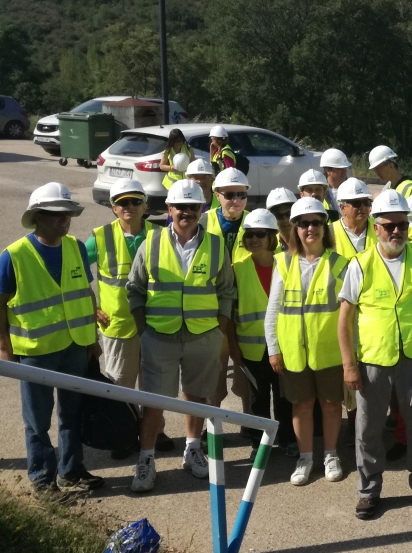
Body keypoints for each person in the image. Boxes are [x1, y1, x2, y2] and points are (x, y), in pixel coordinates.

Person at [338, 188, 412, 519]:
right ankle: (368, 491)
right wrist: (349, 366)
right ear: (376, 227)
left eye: (401, 224)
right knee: (368, 430)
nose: (396, 231)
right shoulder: (361, 264)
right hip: (373, 362)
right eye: (389, 225)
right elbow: (344, 319)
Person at [127, 179, 237, 493]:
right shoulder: (152, 243)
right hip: (159, 336)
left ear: (202, 210)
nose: (186, 212)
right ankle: (146, 459)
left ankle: (192, 450)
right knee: (153, 403)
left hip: (203, 337)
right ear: (170, 209)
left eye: (193, 207)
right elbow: (135, 289)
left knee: (197, 396)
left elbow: (227, 290)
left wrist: (219, 326)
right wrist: (143, 330)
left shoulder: (216, 245)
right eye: (180, 207)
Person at [0, 183, 101, 493]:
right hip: (36, 351)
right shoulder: (13, 256)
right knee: (37, 421)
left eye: (68, 213)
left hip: (74, 346)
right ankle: (43, 479)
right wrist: (4, 346)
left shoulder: (76, 248)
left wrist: (91, 340)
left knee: (72, 413)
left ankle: (71, 470)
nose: (65, 219)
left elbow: (85, 294)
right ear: (38, 217)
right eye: (58, 214)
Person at [265, 197, 350, 485]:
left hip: (329, 352)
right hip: (293, 353)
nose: (310, 228)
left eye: (316, 222)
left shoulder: (340, 264)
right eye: (303, 223)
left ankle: (330, 455)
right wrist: (274, 350)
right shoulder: (284, 262)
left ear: (325, 227)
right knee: (301, 406)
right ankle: (305, 458)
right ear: (294, 229)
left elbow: (350, 313)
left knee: (330, 404)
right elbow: (273, 311)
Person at [86, 179, 164, 457]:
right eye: (122, 202)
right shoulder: (100, 237)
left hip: (156, 323)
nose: (128, 206)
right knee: (121, 384)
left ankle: (155, 431)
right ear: (113, 209)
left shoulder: (160, 234)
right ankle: (125, 434)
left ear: (145, 206)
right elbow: (75, 268)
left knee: (154, 383)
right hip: (117, 325)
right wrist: (91, 307)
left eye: (134, 201)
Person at [228, 209, 297, 456]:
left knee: (284, 397)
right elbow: (231, 312)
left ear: (272, 237)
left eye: (260, 234)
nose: (253, 239)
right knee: (258, 399)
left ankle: (288, 439)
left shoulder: (288, 262)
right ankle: (259, 443)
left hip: (284, 344)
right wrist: (232, 346)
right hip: (251, 347)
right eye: (249, 235)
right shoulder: (237, 269)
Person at [205, 167, 252, 264]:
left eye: (241, 195)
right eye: (229, 195)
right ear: (217, 196)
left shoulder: (254, 220)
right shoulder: (203, 220)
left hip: (244, 277)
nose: (236, 200)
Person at [332, 178, 376, 259]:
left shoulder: (380, 227)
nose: (363, 207)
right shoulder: (329, 232)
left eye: (366, 202)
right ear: (342, 208)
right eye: (357, 203)